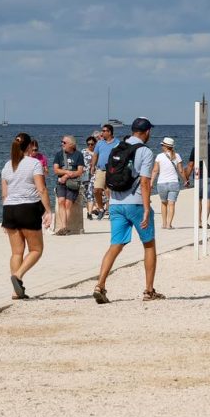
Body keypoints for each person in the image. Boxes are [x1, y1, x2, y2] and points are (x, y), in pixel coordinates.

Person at [92, 118, 160, 304]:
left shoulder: (117, 148)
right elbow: (145, 182)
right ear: (146, 132)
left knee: (115, 245)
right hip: (136, 203)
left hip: (115, 202)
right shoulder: (145, 151)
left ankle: (100, 285)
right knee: (149, 245)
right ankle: (148, 290)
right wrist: (147, 208)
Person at [1, 131, 53, 300]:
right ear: (30, 146)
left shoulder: (7, 165)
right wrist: (48, 210)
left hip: (9, 210)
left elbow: (4, 194)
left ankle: (16, 291)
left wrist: (4, 219)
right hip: (28, 208)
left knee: (16, 252)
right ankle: (18, 276)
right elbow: (41, 189)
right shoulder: (34, 163)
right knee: (37, 249)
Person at [51, 136, 85, 235]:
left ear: (71, 144)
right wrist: (67, 173)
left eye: (64, 142)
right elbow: (56, 170)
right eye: (62, 142)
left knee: (68, 203)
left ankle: (64, 227)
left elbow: (79, 171)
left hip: (73, 183)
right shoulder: (59, 155)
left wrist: (67, 176)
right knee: (61, 201)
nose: (62, 144)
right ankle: (63, 227)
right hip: (61, 182)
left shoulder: (78, 155)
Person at [185, 140, 210, 226]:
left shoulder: (195, 149)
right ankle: (204, 222)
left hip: (198, 176)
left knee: (199, 199)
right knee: (208, 198)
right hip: (209, 176)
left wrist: (187, 177)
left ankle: (199, 221)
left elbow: (191, 164)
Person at [153, 138, 183, 230]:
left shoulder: (159, 156)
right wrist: (186, 180)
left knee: (163, 203)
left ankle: (164, 224)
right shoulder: (177, 156)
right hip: (174, 183)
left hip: (161, 183)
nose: (161, 146)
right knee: (171, 204)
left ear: (165, 146)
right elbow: (181, 170)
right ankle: (169, 224)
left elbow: (155, 170)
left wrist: (151, 182)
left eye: (162, 145)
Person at [91, 124, 117, 220]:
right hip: (100, 170)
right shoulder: (99, 143)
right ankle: (101, 208)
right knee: (96, 189)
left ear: (109, 132)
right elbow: (95, 155)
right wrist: (92, 166)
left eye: (104, 131)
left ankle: (110, 211)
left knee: (110, 192)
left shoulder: (117, 143)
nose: (102, 133)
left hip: (112, 170)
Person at [81, 136, 97, 219]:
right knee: (86, 193)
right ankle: (89, 211)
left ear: (95, 144)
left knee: (91, 192)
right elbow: (79, 163)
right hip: (85, 175)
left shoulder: (97, 152)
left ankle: (90, 212)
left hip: (94, 174)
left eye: (92, 144)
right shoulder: (83, 151)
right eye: (88, 144)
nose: (90, 145)